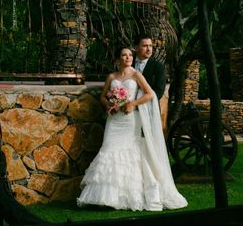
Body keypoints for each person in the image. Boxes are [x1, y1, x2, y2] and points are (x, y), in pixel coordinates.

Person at [77, 47, 187, 211]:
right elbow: (102, 95)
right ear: (118, 59)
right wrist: (108, 104)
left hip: (130, 120)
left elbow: (150, 94)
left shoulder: (136, 75)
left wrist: (132, 104)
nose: (128, 57)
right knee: (108, 149)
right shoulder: (112, 76)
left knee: (130, 153)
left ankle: (127, 197)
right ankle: (104, 197)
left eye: (130, 55)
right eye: (124, 55)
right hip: (114, 120)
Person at [133, 35, 166, 100]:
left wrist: (139, 103)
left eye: (150, 46)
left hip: (149, 106)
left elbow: (159, 91)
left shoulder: (159, 67)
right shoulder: (128, 62)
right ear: (136, 48)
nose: (149, 49)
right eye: (145, 46)